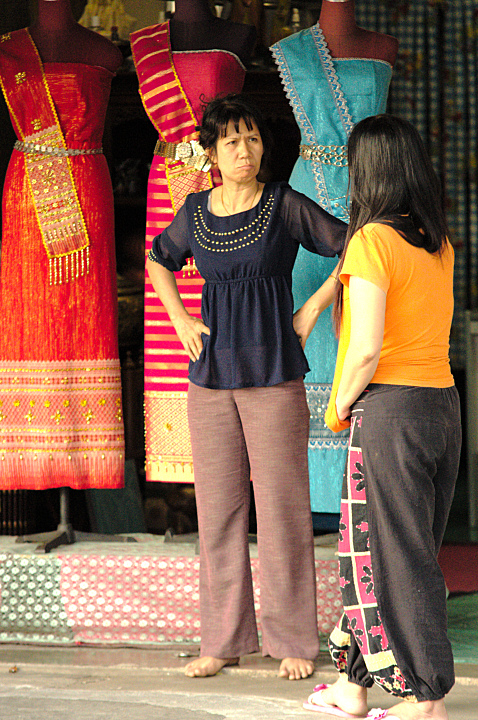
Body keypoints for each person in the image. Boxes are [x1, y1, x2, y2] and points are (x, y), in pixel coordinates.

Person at [146, 93, 347, 680]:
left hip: (274, 375)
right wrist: (181, 320)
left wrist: (313, 308)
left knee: (282, 510)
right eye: (231, 141)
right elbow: (158, 259)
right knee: (218, 512)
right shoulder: (195, 211)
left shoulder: (283, 204)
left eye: (252, 138)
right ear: (211, 153)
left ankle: (292, 641)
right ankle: (222, 640)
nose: (244, 150)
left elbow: (355, 244)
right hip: (210, 378)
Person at [298, 114, 461, 719]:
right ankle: (353, 685)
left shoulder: (371, 241)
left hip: (390, 411)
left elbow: (365, 347)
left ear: (366, 172)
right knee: (374, 551)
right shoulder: (436, 242)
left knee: (394, 558)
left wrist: (340, 403)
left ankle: (425, 697)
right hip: (440, 407)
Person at [271, 0, 398, 528]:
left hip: (371, 189)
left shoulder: (384, 47)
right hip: (309, 198)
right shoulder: (291, 51)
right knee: (314, 338)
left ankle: (362, 476)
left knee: (369, 328)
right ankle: (312, 490)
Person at [0, 0, 125, 491]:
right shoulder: (10, 52)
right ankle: (28, 459)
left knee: (87, 318)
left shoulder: (105, 52)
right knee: (29, 317)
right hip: (28, 198)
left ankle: (89, 458)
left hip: (88, 186)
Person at [130, 0, 256, 484]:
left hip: (219, 180)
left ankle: (230, 443)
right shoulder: (145, 44)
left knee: (227, 303)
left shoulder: (239, 34)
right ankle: (178, 458)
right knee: (169, 310)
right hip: (165, 186)